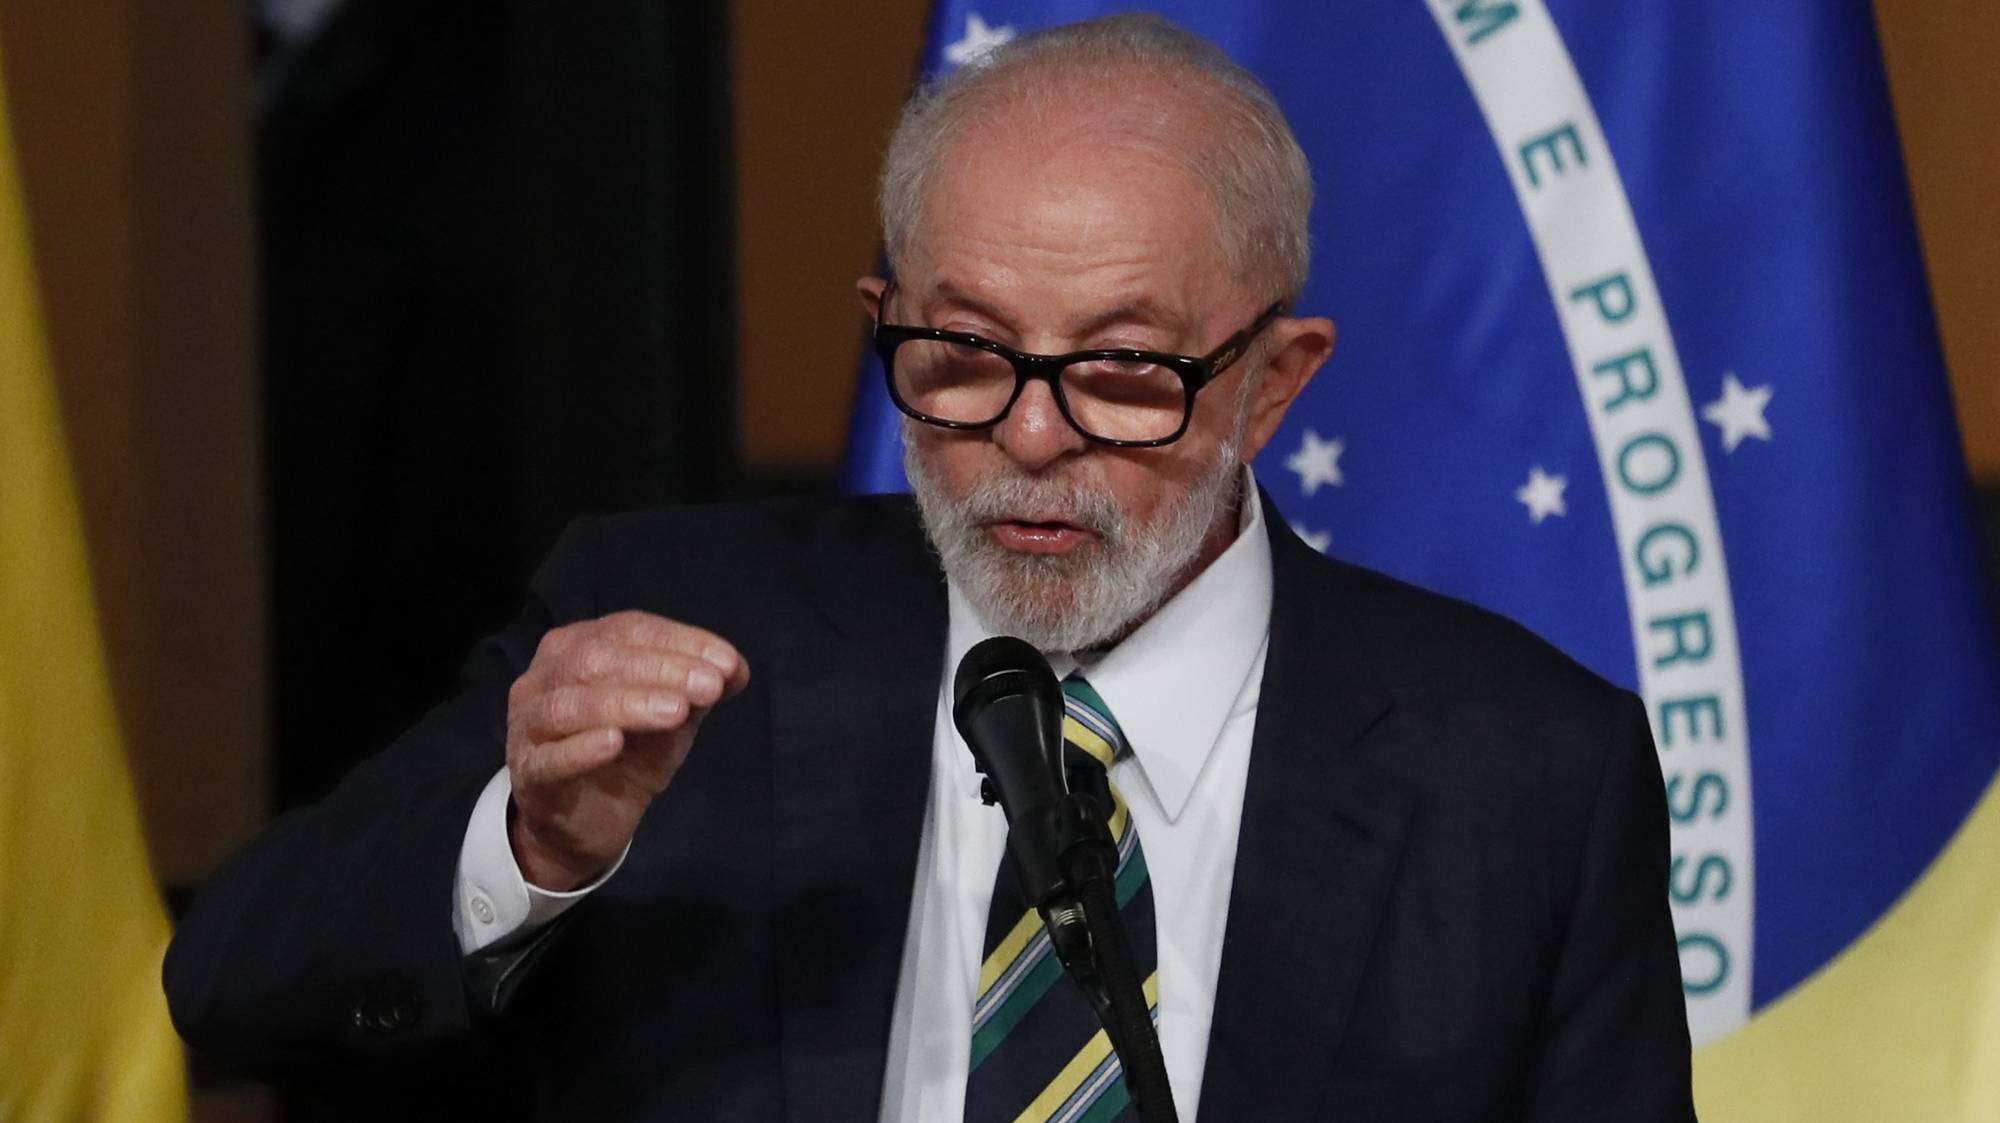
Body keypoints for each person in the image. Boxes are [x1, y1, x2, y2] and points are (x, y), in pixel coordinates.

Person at [166, 14, 1694, 1121]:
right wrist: (536, 845)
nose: (1029, 437)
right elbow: (232, 988)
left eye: (1120, 371)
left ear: (1272, 383)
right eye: (958, 354)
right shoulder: (672, 623)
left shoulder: (1523, 771)